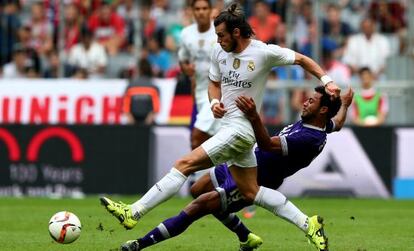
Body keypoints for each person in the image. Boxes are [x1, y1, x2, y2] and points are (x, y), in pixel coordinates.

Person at [100, 2, 340, 249]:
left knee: (185, 164)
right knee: (252, 192)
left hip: (240, 131)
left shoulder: (263, 53)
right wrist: (214, 101)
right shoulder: (219, 51)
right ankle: (307, 224)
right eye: (217, 35)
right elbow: (213, 82)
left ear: (236, 32)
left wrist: (327, 80)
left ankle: (135, 212)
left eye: (222, 35)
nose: (218, 40)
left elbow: (301, 59)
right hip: (229, 125)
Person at [119, 87, 353, 251]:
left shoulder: (308, 138)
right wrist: (345, 104)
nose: (305, 102)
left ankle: (139, 244)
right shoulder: (321, 123)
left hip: (256, 177)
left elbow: (266, 144)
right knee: (197, 189)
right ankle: (245, 235)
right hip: (244, 160)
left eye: (311, 101)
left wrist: (253, 117)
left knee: (198, 206)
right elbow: (339, 123)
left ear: (322, 110)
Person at [178, 0, 221, 187]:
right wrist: (186, 69)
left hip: (218, 92)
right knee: (215, 140)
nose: (201, 12)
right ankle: (215, 181)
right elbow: (183, 61)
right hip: (199, 93)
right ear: (192, 12)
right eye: (198, 9)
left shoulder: (219, 31)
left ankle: (198, 180)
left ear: (211, 11)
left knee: (197, 136)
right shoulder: (186, 34)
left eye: (205, 8)